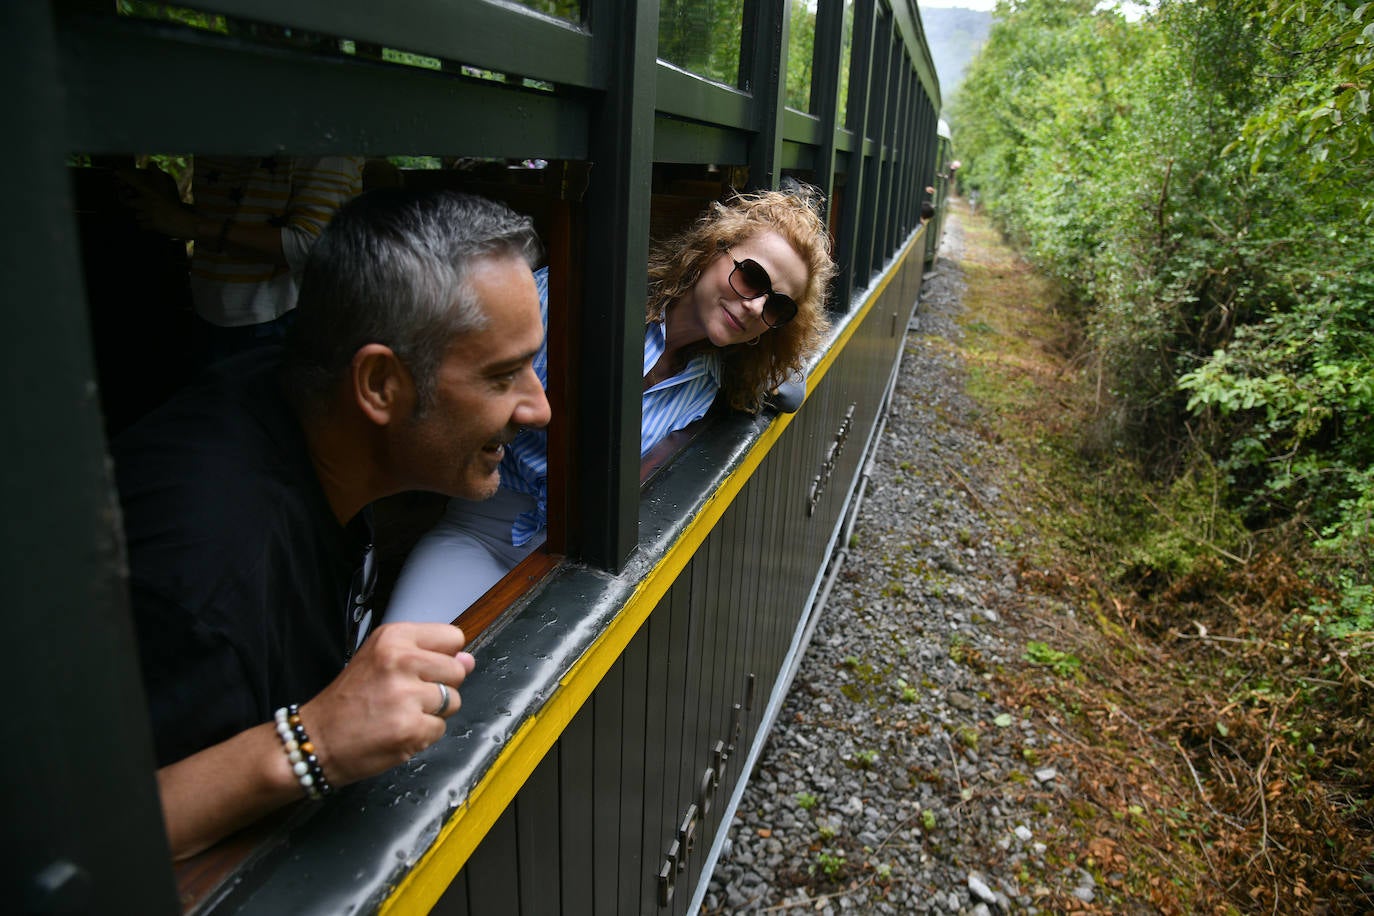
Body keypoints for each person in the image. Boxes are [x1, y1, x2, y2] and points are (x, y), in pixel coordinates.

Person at [113, 189, 552, 860]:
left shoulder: (300, 399)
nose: (538, 407)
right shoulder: (205, 572)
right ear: (378, 385)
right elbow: (71, 853)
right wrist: (309, 742)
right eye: (503, 375)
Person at [386, 186, 836, 623]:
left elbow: (785, 382)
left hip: (576, 565)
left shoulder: (717, 384)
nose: (756, 305)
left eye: (778, 307)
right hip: (482, 528)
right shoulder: (585, 298)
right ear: (711, 251)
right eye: (751, 277)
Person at [119, 154, 364, 365]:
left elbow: (314, 246)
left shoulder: (320, 140)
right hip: (209, 310)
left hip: (283, 319)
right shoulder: (224, 125)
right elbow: (238, 222)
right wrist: (174, 212)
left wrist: (194, 225)